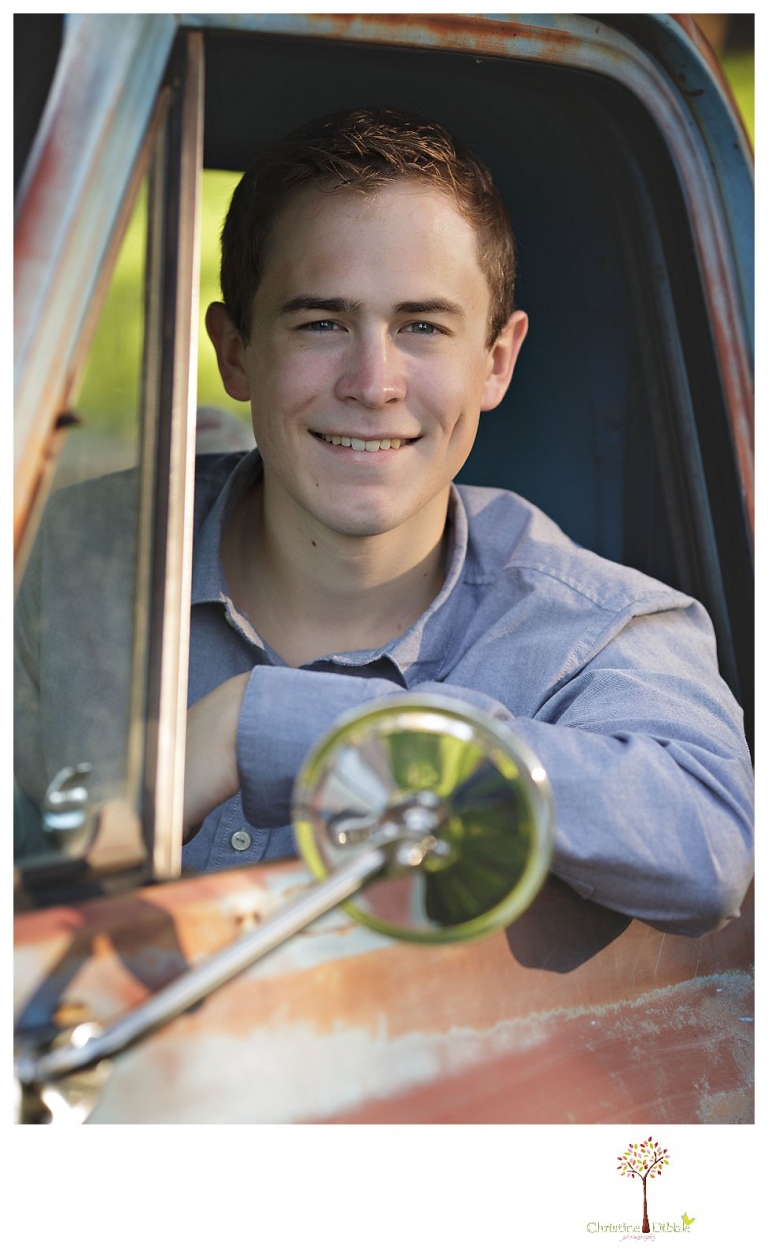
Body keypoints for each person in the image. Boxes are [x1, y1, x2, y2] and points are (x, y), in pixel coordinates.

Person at [16, 108, 753, 936]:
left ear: (496, 362)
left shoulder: (588, 627)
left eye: (423, 327)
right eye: (322, 322)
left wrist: (259, 726)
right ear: (235, 352)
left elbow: (710, 842)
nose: (374, 383)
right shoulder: (59, 560)